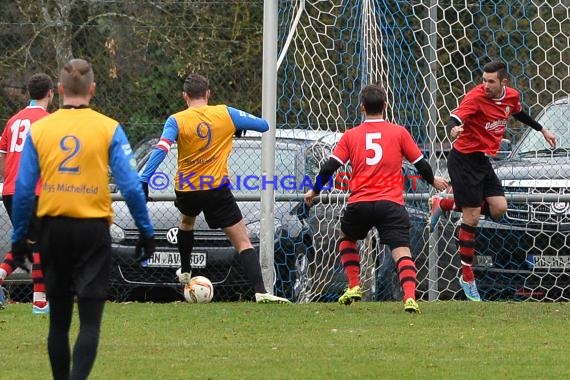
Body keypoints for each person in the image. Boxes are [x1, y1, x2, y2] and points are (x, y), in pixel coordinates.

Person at [11, 58, 155, 379]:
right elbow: (131, 186)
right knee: (90, 322)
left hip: (53, 228)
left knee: (58, 322)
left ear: (59, 89)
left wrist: (20, 236)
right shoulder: (108, 127)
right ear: (92, 89)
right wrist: (146, 230)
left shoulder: (41, 129)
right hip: (92, 229)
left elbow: (23, 190)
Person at [140, 73, 291, 304]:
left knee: (186, 222)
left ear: (185, 96)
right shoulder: (225, 113)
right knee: (242, 242)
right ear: (208, 93)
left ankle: (186, 270)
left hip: (187, 189)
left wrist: (144, 179)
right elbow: (263, 125)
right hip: (216, 189)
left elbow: (162, 147)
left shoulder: (176, 120)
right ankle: (260, 291)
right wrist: (236, 127)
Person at [303, 84, 448, 313]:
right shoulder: (399, 132)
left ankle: (354, 285)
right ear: (386, 106)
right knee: (401, 251)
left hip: (360, 202)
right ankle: (410, 297)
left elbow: (330, 166)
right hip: (391, 203)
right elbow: (421, 164)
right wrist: (433, 181)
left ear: (362, 107)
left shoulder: (351, 135)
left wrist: (315, 191)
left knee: (347, 238)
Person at [428, 59, 557, 301]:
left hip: (482, 162)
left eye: (490, 81)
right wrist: (453, 129)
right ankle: (467, 276)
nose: (485, 85)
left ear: (503, 82)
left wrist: (543, 130)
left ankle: (444, 203)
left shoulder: (511, 96)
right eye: (483, 80)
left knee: (499, 208)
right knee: (472, 216)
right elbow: (456, 118)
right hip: (463, 159)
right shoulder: (476, 97)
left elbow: (519, 113)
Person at [0, 73, 54, 313]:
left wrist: (8, 178)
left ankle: (2, 276)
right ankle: (40, 301)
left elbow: (2, 155)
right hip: (36, 191)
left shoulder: (13, 121)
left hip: (11, 190)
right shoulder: (49, 122)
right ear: (50, 93)